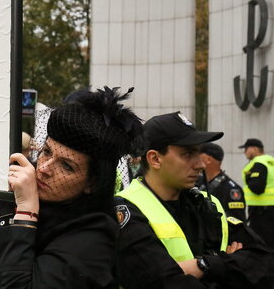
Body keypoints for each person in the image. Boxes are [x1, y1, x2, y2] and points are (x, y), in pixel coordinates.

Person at [0, 87, 142, 288]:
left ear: (93, 182)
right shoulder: (28, 207)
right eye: (47, 152)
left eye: (67, 166)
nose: (45, 168)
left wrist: (26, 213)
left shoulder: (93, 237)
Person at [115, 112, 274, 288]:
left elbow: (264, 264)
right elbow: (161, 282)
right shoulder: (126, 208)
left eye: (198, 152)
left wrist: (205, 265)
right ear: (155, 159)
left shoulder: (207, 203)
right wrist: (229, 266)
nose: (201, 164)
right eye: (188, 154)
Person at [197, 143, 246, 221]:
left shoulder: (230, 189)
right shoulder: (196, 182)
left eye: (198, 157)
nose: (194, 161)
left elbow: (237, 224)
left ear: (208, 160)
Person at [239, 138, 274, 246]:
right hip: (270, 209)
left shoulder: (258, 163)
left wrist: (248, 176)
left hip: (261, 211)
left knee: (262, 244)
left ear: (254, 149)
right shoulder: (270, 161)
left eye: (246, 149)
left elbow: (257, 187)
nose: (244, 152)